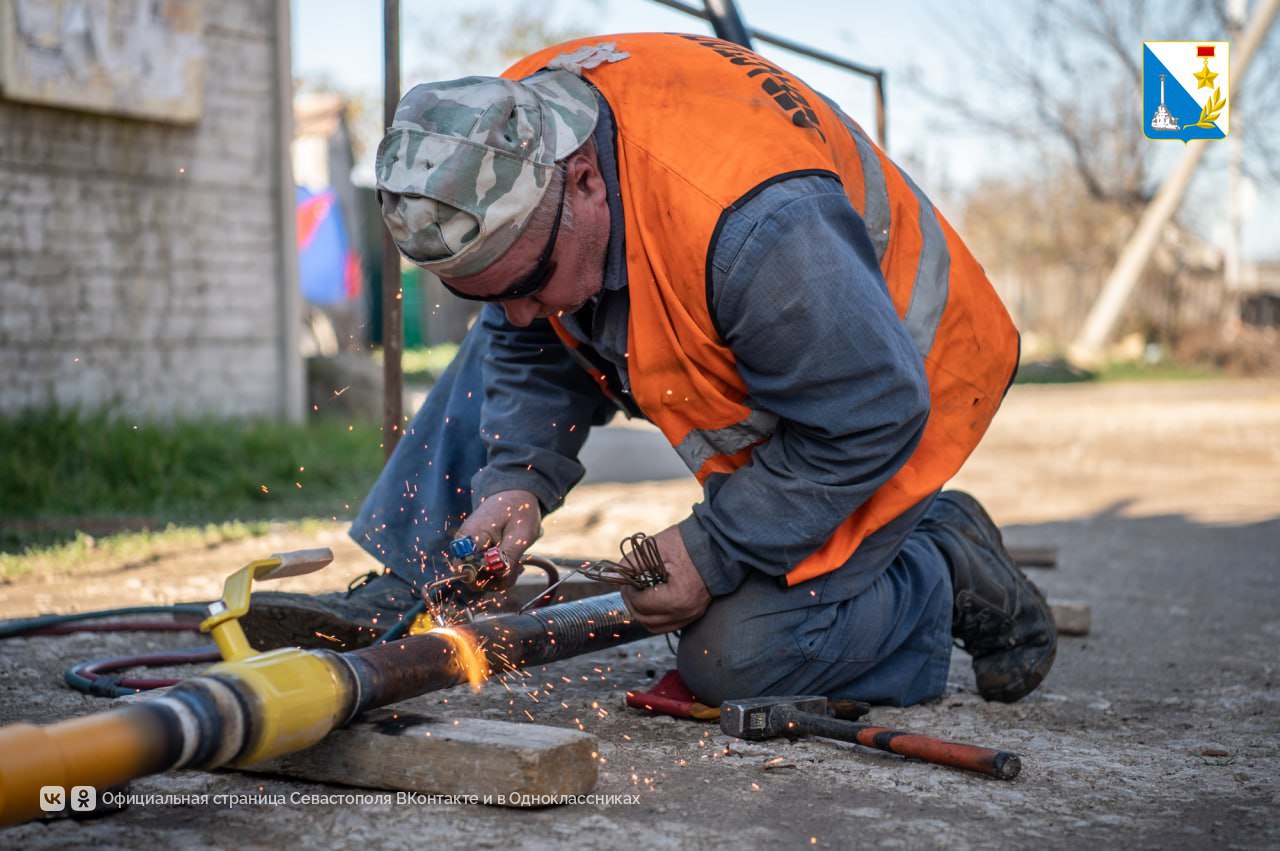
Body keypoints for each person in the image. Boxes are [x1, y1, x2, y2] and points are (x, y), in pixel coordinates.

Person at [246, 33, 1056, 706]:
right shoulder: (509, 136)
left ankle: (940, 560)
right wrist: (515, 478)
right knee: (512, 327)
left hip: (889, 384)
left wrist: (714, 547)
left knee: (737, 657)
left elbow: (872, 408)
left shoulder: (759, 231)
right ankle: (419, 580)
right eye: (484, 294)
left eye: (525, 282)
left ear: (584, 181)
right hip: (762, 318)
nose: (519, 315)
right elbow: (522, 332)